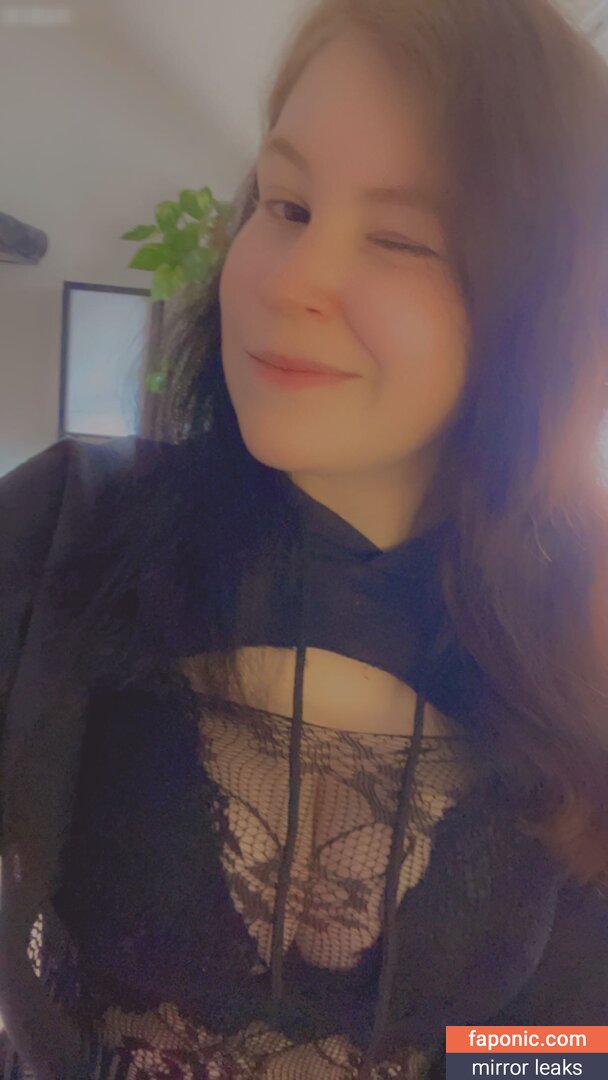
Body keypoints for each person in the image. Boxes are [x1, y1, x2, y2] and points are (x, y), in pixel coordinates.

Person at [1, 0, 608, 1077]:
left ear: (540, 309)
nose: (290, 280)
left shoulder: (584, 636)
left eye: (398, 238)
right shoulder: (64, 533)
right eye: (285, 205)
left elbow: (561, 1044)